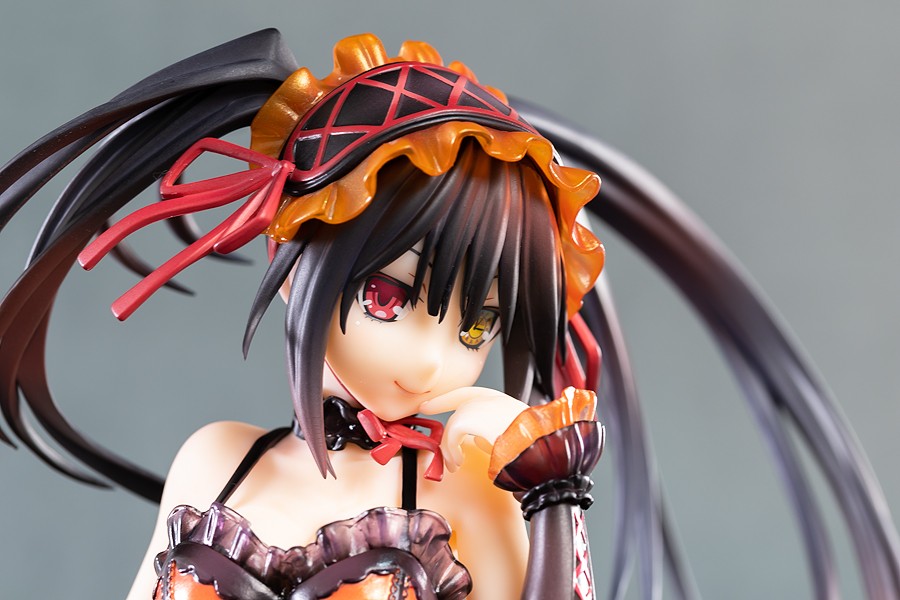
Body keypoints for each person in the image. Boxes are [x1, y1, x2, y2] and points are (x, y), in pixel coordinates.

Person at [0, 29, 897, 600]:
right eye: (389, 297)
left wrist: (549, 492)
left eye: (476, 327)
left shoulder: (469, 491)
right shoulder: (215, 465)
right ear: (302, 260)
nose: (432, 361)